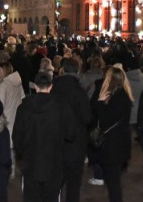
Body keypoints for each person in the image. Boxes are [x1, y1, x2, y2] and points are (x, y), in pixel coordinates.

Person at [13, 71, 75, 202]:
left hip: (30, 163)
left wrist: (22, 154)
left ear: (35, 86)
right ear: (51, 86)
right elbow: (71, 134)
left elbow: (17, 137)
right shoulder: (62, 106)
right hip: (54, 163)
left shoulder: (23, 107)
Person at [51, 57, 91, 202]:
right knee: (73, 184)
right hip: (76, 142)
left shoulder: (53, 88)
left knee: (55, 182)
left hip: (56, 141)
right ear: (77, 70)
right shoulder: (80, 92)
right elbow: (87, 117)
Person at [93, 66, 134, 202]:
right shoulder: (123, 96)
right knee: (113, 181)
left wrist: (100, 103)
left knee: (113, 183)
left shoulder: (118, 98)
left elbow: (105, 120)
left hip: (113, 146)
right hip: (119, 144)